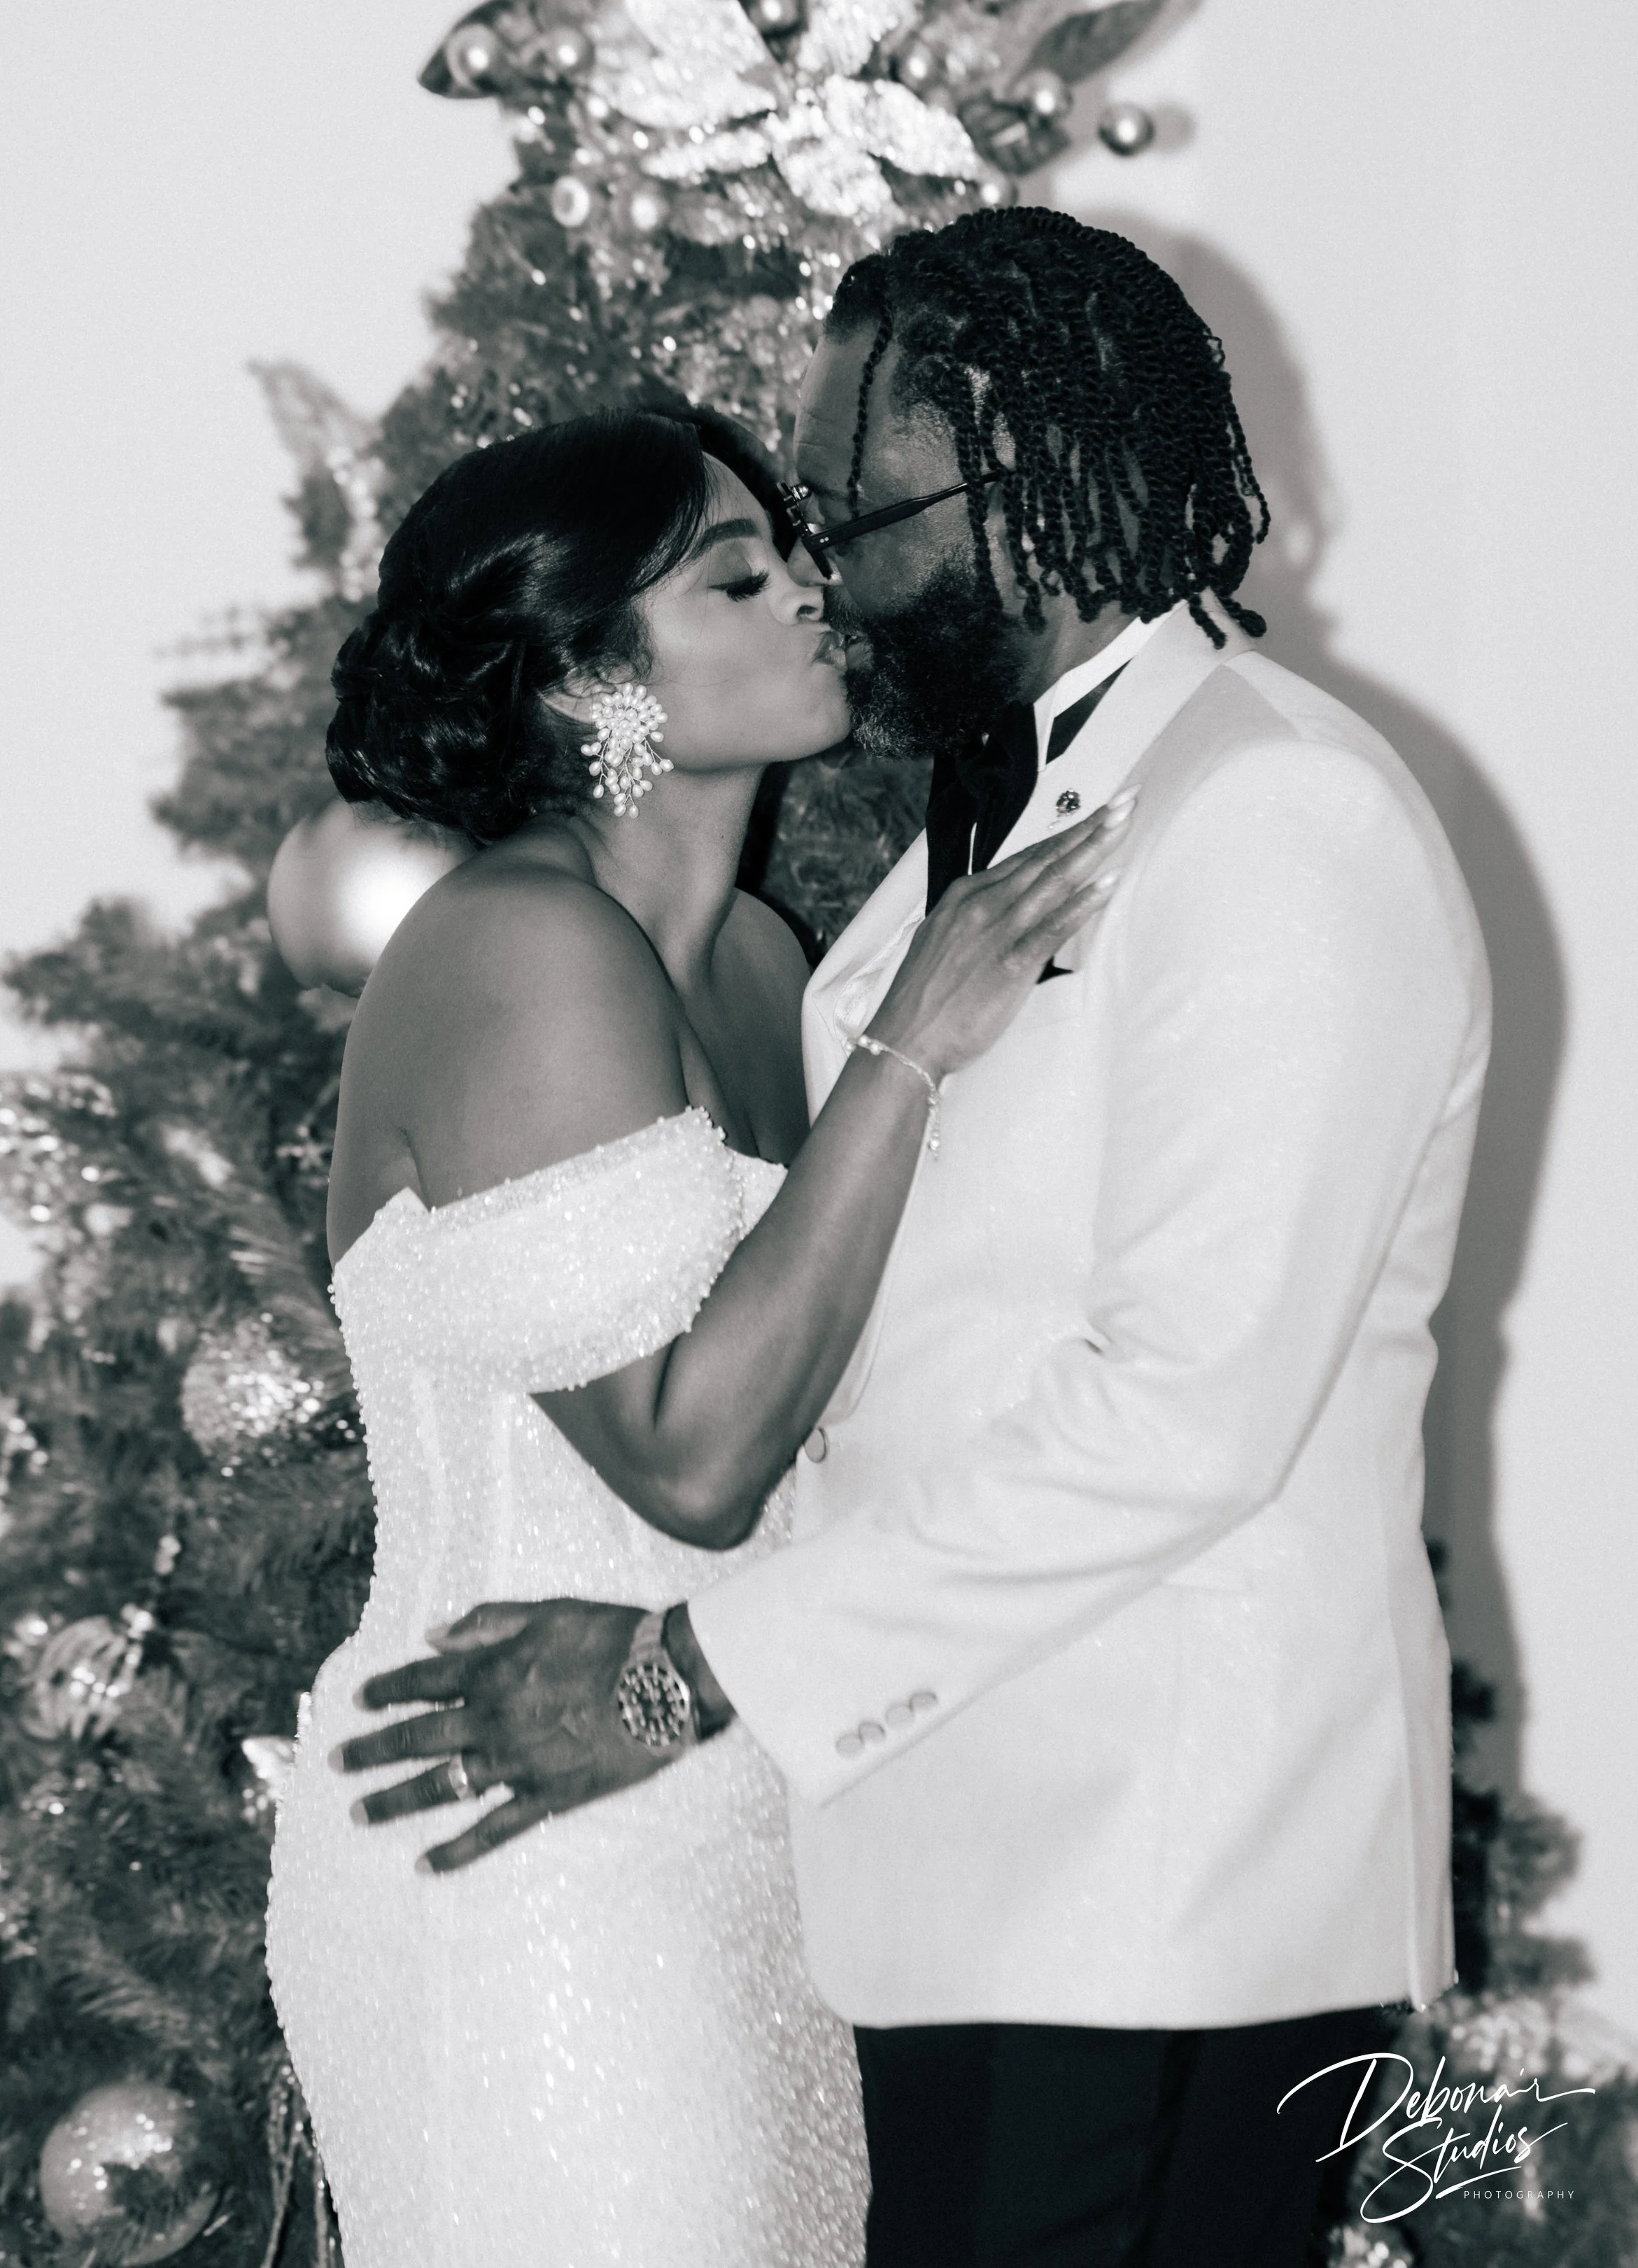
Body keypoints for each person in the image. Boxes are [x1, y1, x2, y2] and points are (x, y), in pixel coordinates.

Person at [343, 209, 1493, 2267]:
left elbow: (1182, 1413)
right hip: (915, 1875)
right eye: (764, 550)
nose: (832, 579)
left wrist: (693, 1679)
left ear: (1017, 496)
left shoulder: (1270, 813)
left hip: (1154, 1882)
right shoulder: (901, 902)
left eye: (853, 513)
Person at [264, 397, 1123, 2268]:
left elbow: (834, 1379)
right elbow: (691, 1449)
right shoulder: (513, 942)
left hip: (744, 1822)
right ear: (586, 681)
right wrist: (918, 1036)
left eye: (791, 550)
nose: (813, 588)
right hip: (514, 1843)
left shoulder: (747, 957)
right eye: (738, 574)